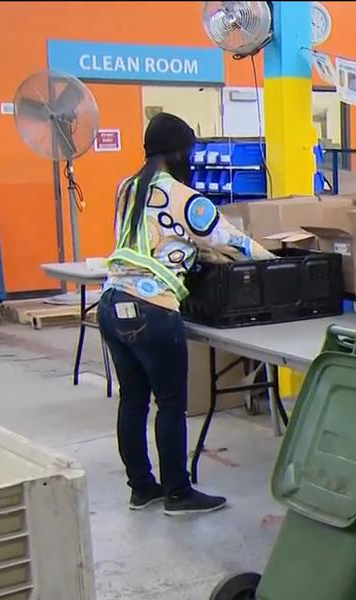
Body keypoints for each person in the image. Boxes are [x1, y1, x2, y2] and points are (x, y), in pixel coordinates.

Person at [100, 113, 273, 515]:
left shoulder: (125, 188)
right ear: (180, 152)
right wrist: (271, 259)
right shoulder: (185, 199)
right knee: (171, 403)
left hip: (112, 304)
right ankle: (178, 492)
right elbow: (233, 240)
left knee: (133, 401)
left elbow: (159, 239)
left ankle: (142, 488)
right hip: (153, 310)